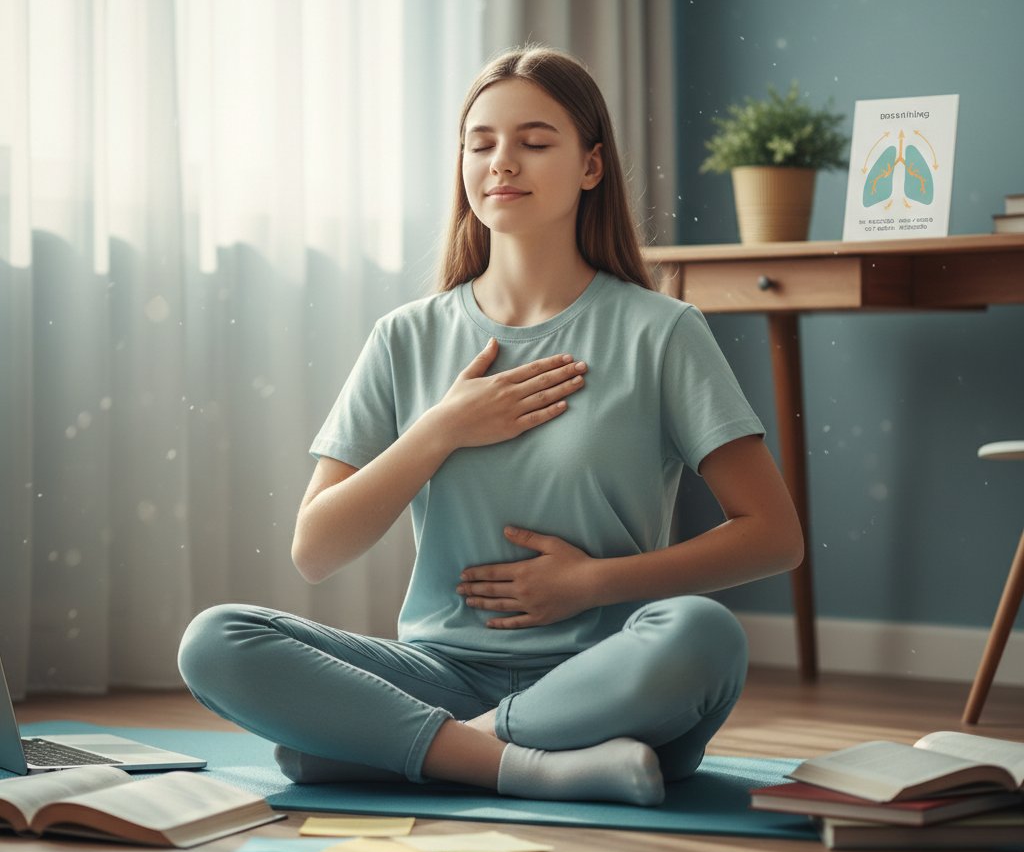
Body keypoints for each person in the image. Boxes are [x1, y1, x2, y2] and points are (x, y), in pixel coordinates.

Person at [177, 45, 803, 807]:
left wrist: (590, 583)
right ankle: (521, 762)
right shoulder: (403, 337)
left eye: (535, 142)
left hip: (605, 668)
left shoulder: (662, 331)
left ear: (590, 167)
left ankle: (405, 747)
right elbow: (316, 549)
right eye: (481, 144)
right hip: (438, 669)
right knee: (216, 639)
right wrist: (441, 430)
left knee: (705, 636)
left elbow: (773, 535)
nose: (502, 162)